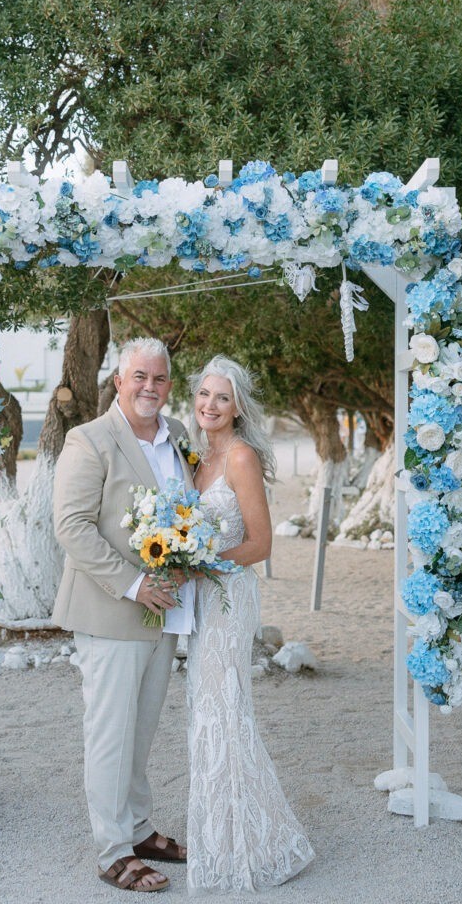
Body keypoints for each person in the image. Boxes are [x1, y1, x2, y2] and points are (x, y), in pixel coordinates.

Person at [52, 337, 194, 893]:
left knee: (142, 729)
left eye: (159, 379)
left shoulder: (178, 436)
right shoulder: (89, 440)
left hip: (167, 612)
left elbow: (189, 514)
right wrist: (135, 584)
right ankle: (113, 852)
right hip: (112, 609)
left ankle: (138, 829)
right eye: (139, 377)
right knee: (110, 733)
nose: (149, 388)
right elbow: (72, 527)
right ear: (119, 381)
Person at [186, 355, 315, 894]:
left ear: (238, 407)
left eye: (222, 397)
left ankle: (255, 845)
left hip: (228, 598)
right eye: (204, 395)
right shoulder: (196, 458)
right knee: (206, 710)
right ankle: (220, 838)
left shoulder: (238, 457)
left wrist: (204, 563)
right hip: (198, 600)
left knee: (225, 709)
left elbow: (261, 544)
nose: (210, 405)